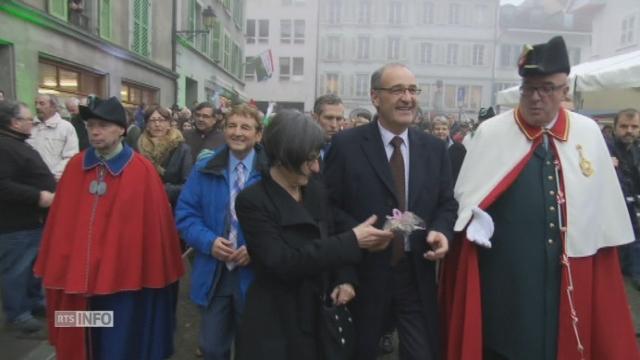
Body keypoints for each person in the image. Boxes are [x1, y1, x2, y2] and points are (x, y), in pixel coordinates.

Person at [441, 36, 639, 360]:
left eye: (547, 88)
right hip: (508, 279)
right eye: (528, 88)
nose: (535, 98)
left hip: (571, 274)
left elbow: (604, 216)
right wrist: (472, 222)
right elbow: (464, 204)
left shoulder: (588, 132)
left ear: (565, 90)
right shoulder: (491, 133)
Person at [234, 110, 393, 360]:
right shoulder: (253, 201)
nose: (316, 166)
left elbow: (331, 232)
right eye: (308, 160)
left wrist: (345, 278)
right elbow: (282, 262)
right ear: (285, 157)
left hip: (320, 314)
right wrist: (353, 240)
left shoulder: (315, 190)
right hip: (277, 322)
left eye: (317, 157)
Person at [324, 63, 458, 360]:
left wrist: (441, 230)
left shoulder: (434, 149)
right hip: (363, 275)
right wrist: (358, 234)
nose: (408, 98)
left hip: (415, 272)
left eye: (412, 90)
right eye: (397, 90)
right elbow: (326, 207)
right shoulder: (346, 146)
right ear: (375, 97)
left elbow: (447, 204)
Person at [34, 96, 184, 360]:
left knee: (118, 341)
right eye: (91, 124)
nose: (95, 130)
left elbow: (153, 234)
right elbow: (61, 224)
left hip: (125, 280)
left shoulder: (142, 170)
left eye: (103, 125)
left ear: (122, 129)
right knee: (78, 334)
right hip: (78, 279)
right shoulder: (75, 166)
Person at [176, 104, 267, 360]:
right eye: (232, 126)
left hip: (256, 275)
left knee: (252, 347)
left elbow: (282, 223)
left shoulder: (272, 172)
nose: (237, 132)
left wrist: (257, 249)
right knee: (212, 347)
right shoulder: (204, 168)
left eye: (245, 127)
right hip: (215, 274)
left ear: (258, 135)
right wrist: (209, 241)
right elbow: (185, 215)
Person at [0, 100, 56, 333]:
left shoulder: (16, 143)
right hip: (16, 224)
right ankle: (18, 316)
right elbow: (2, 185)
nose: (32, 121)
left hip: (31, 222)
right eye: (27, 118)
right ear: (14, 122)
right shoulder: (4, 146)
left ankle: (34, 305)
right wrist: (38, 196)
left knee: (32, 268)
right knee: (16, 270)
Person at [138, 104, 193, 208]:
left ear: (169, 124)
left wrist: (160, 190)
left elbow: (189, 185)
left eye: (161, 120)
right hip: (144, 205)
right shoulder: (139, 148)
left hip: (172, 207)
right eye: (152, 120)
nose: (157, 124)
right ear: (147, 125)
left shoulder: (182, 149)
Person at [609, 108, 640, 289]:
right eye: (624, 126)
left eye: (634, 126)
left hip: (632, 203)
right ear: (615, 128)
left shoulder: (635, 150)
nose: (629, 130)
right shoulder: (605, 148)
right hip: (613, 207)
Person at [28, 94, 79, 180]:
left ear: (53, 106)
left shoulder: (65, 127)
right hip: (30, 180)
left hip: (54, 180)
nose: (37, 107)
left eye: (42, 103)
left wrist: (52, 175)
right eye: (36, 103)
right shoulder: (29, 126)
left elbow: (71, 156)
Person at [312, 94, 345, 160]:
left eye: (339, 119)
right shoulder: (300, 147)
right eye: (328, 118)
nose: (334, 125)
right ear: (315, 118)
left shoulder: (350, 148)